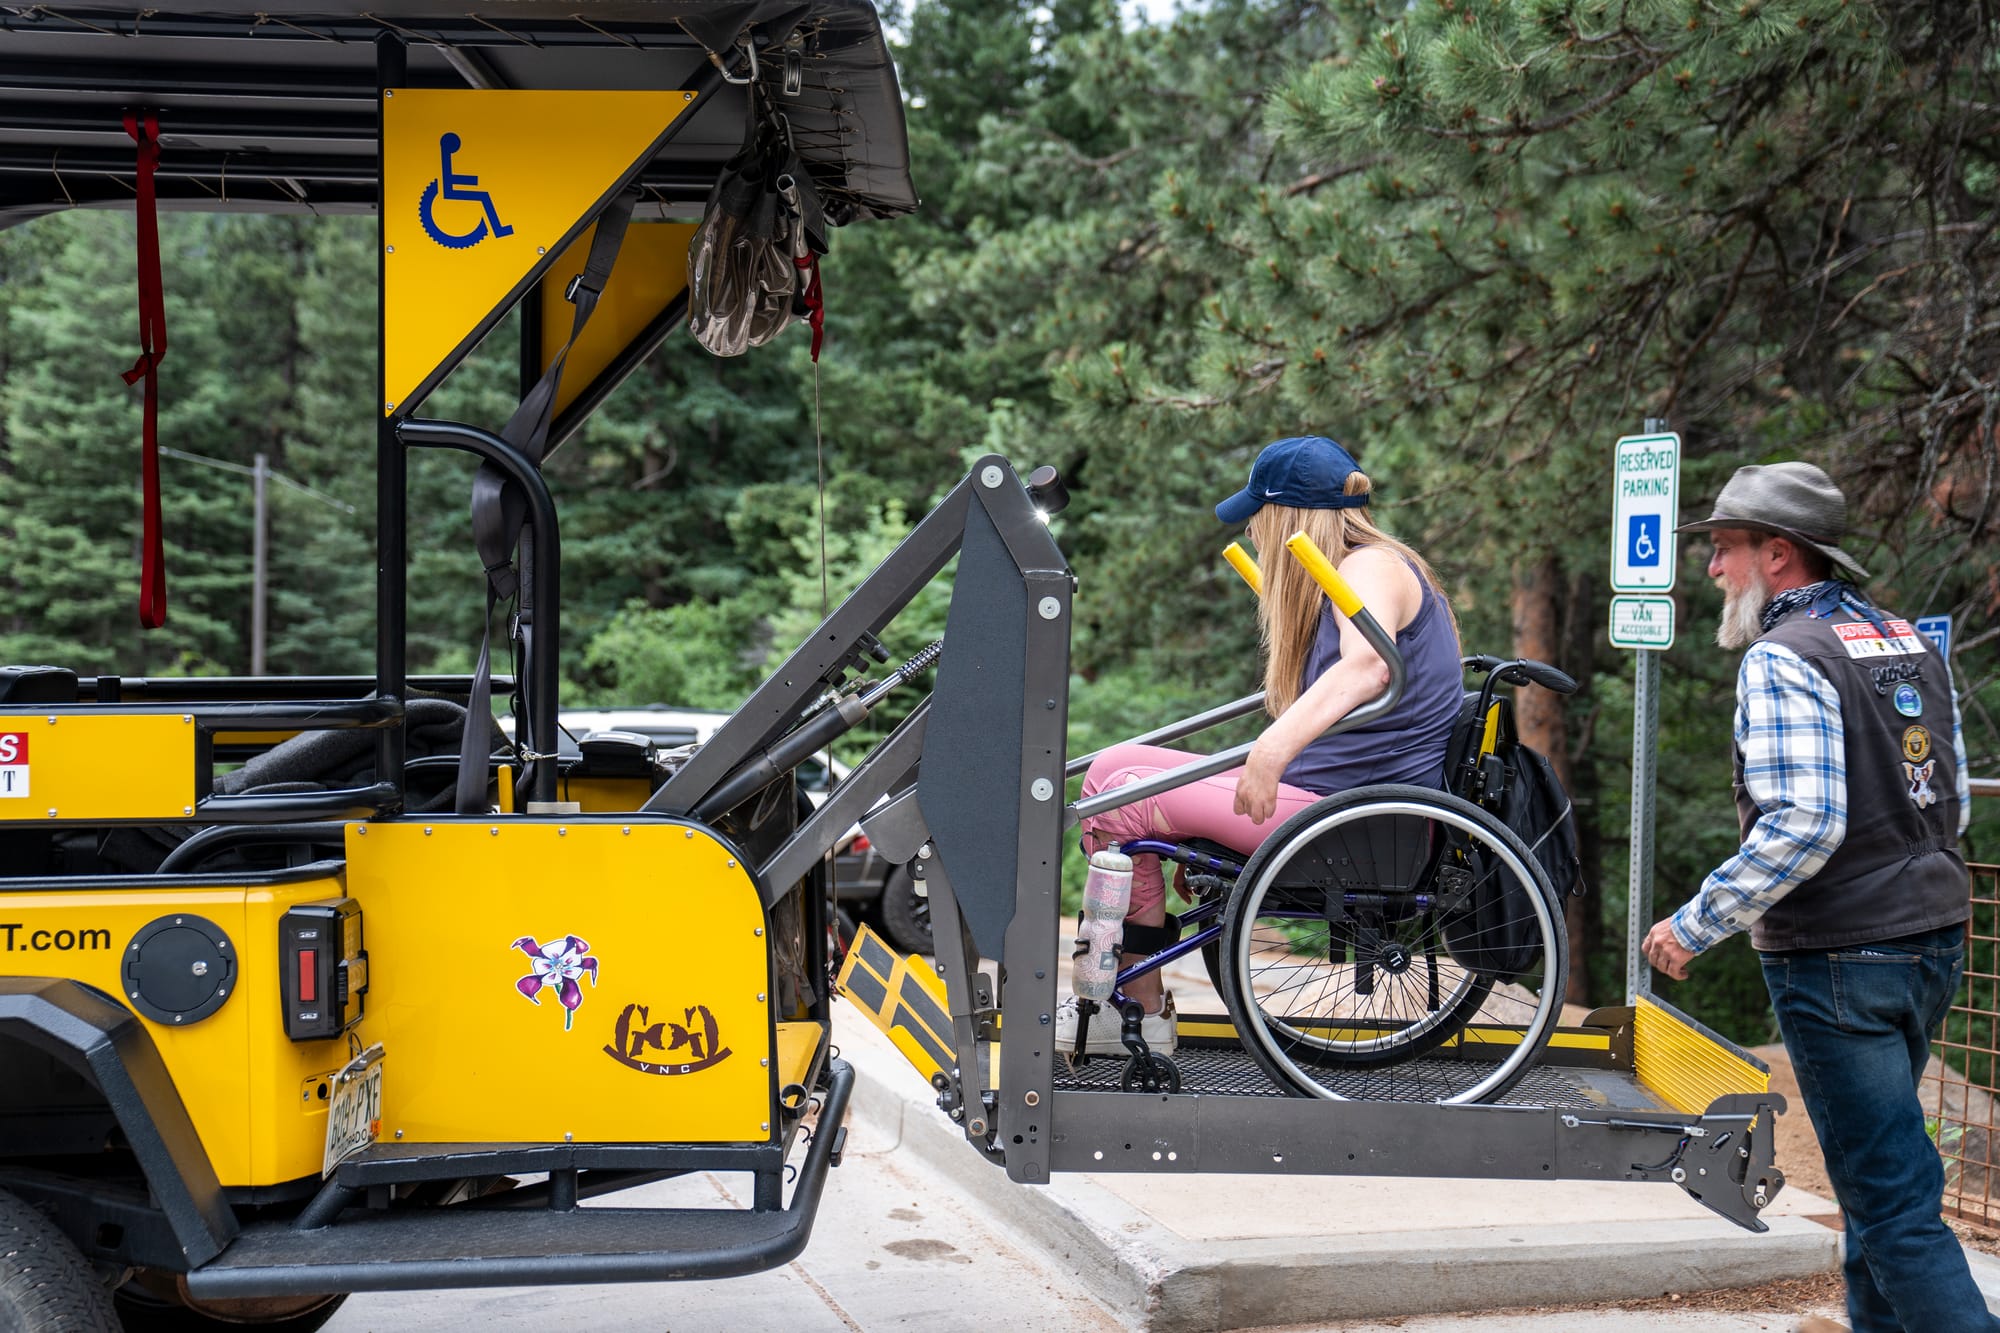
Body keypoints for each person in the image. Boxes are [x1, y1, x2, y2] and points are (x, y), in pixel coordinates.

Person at [1639, 461, 1990, 1333]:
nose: (1713, 570)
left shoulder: (1782, 656)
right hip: (1933, 937)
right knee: (1880, 1181)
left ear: (1780, 554)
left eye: (1725, 550)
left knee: (1894, 1202)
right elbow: (1955, 800)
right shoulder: (1904, 639)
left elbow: (1807, 822)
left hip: (1841, 957)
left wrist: (1695, 921)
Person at [1059, 435, 1464, 1055]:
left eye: (1258, 516)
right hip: (1330, 803)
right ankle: (1128, 998)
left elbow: (1367, 670)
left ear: (1288, 516)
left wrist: (1268, 753)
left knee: (1123, 799)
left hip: (1355, 821)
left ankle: (1133, 1011)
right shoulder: (1350, 575)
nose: (1252, 531)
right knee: (1112, 769)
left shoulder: (1372, 567)